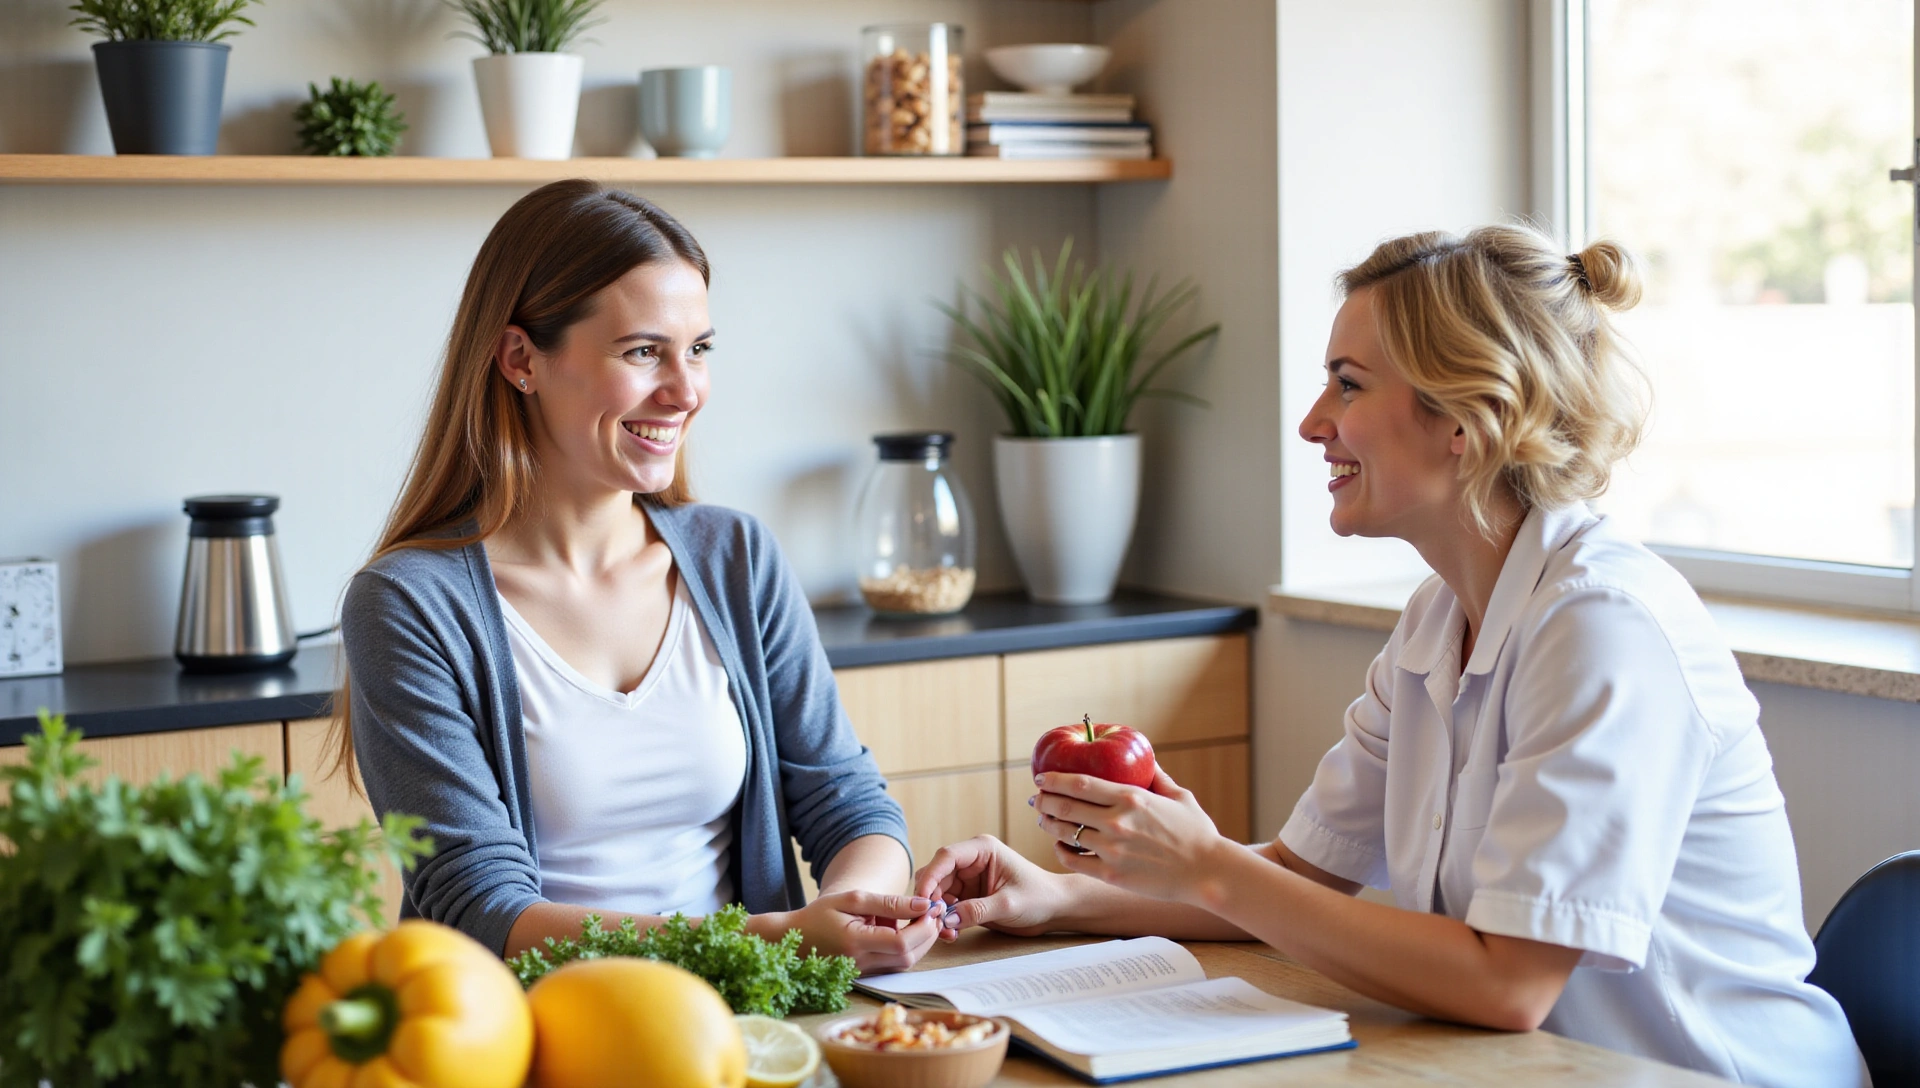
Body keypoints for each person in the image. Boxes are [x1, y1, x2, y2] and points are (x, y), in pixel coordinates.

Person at [915, 226, 1866, 1086]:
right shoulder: (1434, 619)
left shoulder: (1604, 628)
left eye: (1348, 384)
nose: (1312, 421)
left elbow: (1510, 985)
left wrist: (1206, 864)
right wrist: (1061, 898)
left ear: (1465, 418)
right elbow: (1297, 878)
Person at [334, 179, 941, 972]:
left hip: (748, 1024)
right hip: (541, 1036)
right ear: (521, 359)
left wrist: (858, 910)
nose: (686, 391)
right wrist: (776, 940)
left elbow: (845, 800)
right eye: (642, 352)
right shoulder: (409, 604)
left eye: (699, 350)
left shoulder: (736, 558)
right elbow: (478, 904)